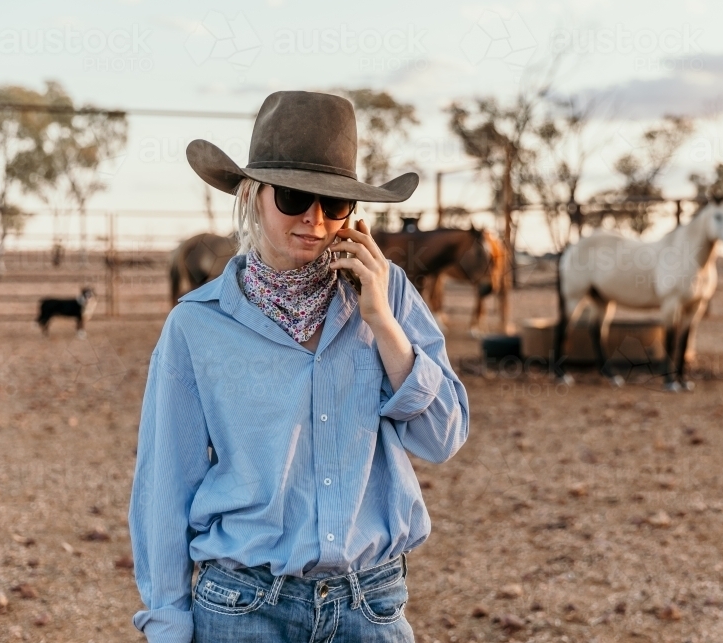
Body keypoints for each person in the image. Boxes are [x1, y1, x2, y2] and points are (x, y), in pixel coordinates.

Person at [129, 91, 469, 643]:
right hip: (241, 608)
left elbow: (444, 436)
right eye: (293, 196)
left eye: (334, 204)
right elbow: (166, 483)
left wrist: (383, 323)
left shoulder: (392, 297)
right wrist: (168, 621)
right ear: (252, 195)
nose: (314, 219)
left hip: (372, 606)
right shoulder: (196, 325)